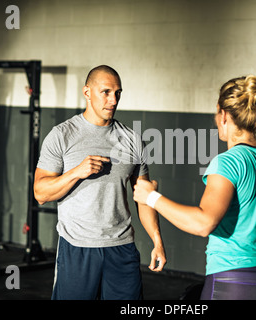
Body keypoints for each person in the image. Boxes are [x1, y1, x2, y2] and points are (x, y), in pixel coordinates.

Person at [133, 75, 256, 300]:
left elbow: (203, 224)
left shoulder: (228, 162)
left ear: (224, 116)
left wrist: (150, 197)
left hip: (234, 282)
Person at [34, 65, 166, 300]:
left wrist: (157, 240)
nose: (113, 100)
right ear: (87, 92)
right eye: (105, 92)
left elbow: (143, 196)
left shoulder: (132, 139)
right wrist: (76, 172)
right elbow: (40, 193)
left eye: (118, 93)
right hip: (77, 247)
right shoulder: (62, 135)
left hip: (122, 248)